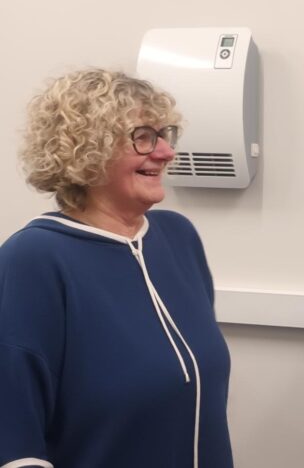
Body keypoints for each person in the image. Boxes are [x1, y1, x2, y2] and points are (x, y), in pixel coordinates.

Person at [0, 69, 233, 468]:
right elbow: (14, 439)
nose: (165, 152)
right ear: (86, 149)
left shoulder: (179, 238)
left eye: (165, 134)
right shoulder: (35, 258)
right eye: (143, 136)